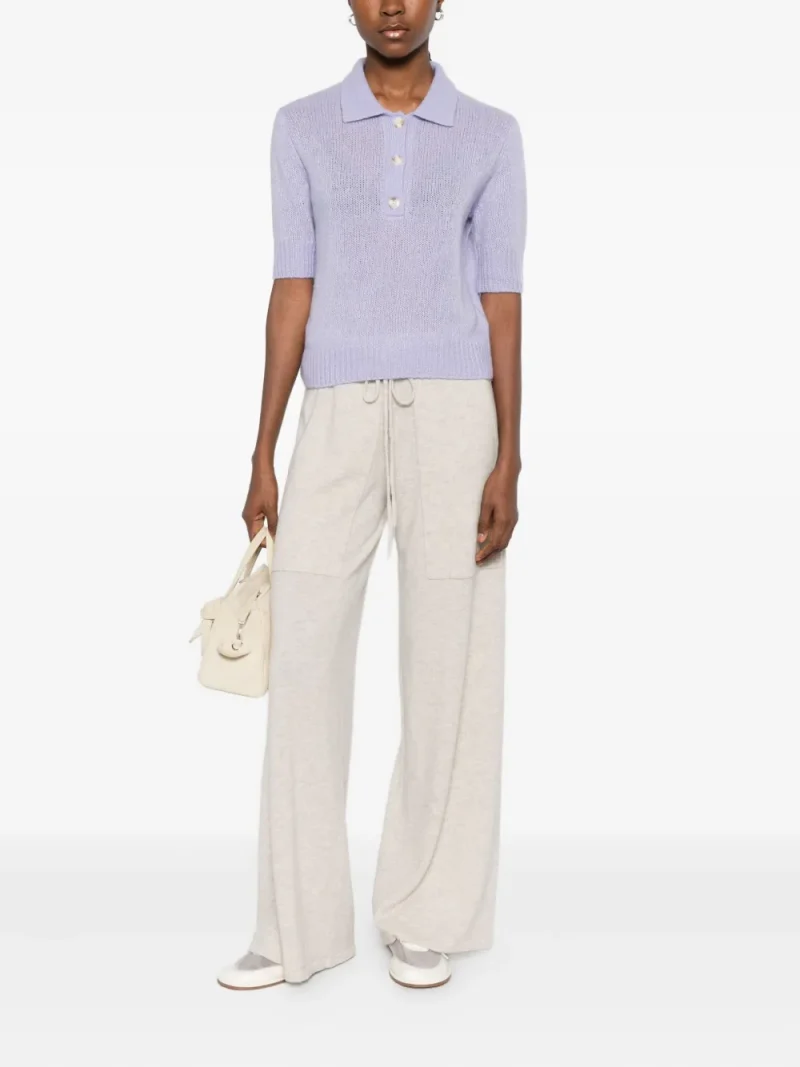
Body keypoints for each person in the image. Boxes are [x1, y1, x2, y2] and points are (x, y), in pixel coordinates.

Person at [217, 0, 526, 991]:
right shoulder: (301, 128)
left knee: (449, 668)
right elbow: (291, 288)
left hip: (456, 414)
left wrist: (509, 455)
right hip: (336, 414)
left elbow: (502, 300)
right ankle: (293, 925)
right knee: (304, 662)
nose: (391, 5)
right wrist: (264, 449)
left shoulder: (490, 136)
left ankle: (425, 908)